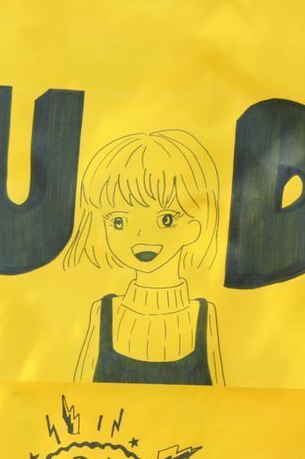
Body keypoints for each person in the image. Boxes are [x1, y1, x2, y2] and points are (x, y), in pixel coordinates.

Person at [64, 129, 226, 385]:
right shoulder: (103, 313)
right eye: (119, 220)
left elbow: (223, 409)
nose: (140, 234)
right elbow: (75, 401)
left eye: (165, 219)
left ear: (192, 229)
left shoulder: (205, 317)